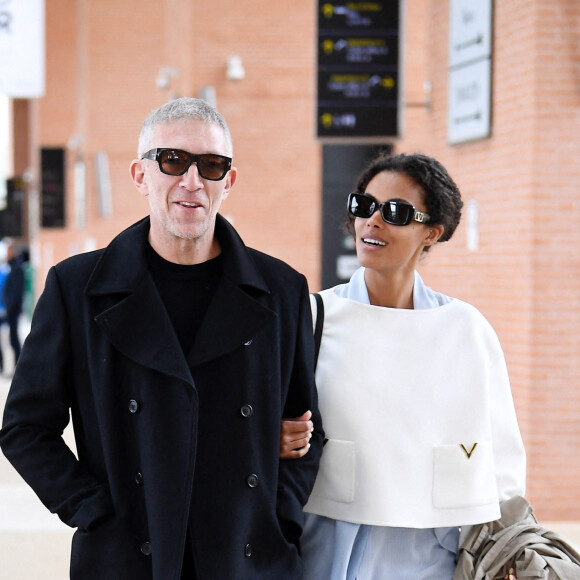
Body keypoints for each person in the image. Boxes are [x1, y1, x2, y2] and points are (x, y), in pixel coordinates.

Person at [0, 97, 324, 580]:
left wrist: (281, 517)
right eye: (172, 161)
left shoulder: (281, 290)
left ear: (228, 182)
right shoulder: (78, 289)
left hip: (248, 557)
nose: (192, 182)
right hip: (128, 553)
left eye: (212, 166)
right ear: (140, 175)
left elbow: (309, 430)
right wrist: (91, 510)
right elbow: (25, 428)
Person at [280, 152, 526, 580]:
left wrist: (509, 543)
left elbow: (501, 451)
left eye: (394, 211)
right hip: (328, 548)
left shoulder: (465, 329)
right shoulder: (314, 317)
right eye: (364, 205)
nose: (372, 221)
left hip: (435, 554)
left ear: (432, 231)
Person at [2, 242, 26, 365]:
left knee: (14, 339)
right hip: (10, 309)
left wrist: (9, 308)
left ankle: (19, 365)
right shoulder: (11, 268)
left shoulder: (16, 269)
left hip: (12, 310)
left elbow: (16, 292)